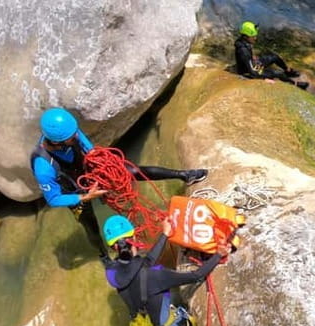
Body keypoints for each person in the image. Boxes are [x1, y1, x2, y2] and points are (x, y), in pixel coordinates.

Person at [30, 107, 208, 255]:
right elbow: (53, 199)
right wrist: (85, 197)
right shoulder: (43, 167)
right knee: (89, 223)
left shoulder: (69, 133)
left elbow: (86, 145)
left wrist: (97, 160)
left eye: (75, 132)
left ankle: (184, 175)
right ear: (57, 142)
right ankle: (103, 254)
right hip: (74, 190)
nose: (76, 136)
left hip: (89, 170)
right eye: (71, 137)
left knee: (134, 171)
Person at [102, 215, 231, 326]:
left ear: (114, 247)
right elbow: (197, 276)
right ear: (134, 239)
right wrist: (218, 255)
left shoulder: (111, 273)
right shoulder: (157, 275)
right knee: (188, 323)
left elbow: (143, 265)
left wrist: (165, 234)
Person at [234, 21, 309, 90]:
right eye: (253, 36)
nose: (255, 38)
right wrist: (264, 79)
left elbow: (248, 56)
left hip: (253, 64)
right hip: (248, 71)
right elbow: (252, 72)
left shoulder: (244, 42)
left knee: (274, 57)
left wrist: (253, 57)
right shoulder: (243, 51)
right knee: (277, 73)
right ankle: (295, 84)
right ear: (245, 37)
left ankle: (287, 70)